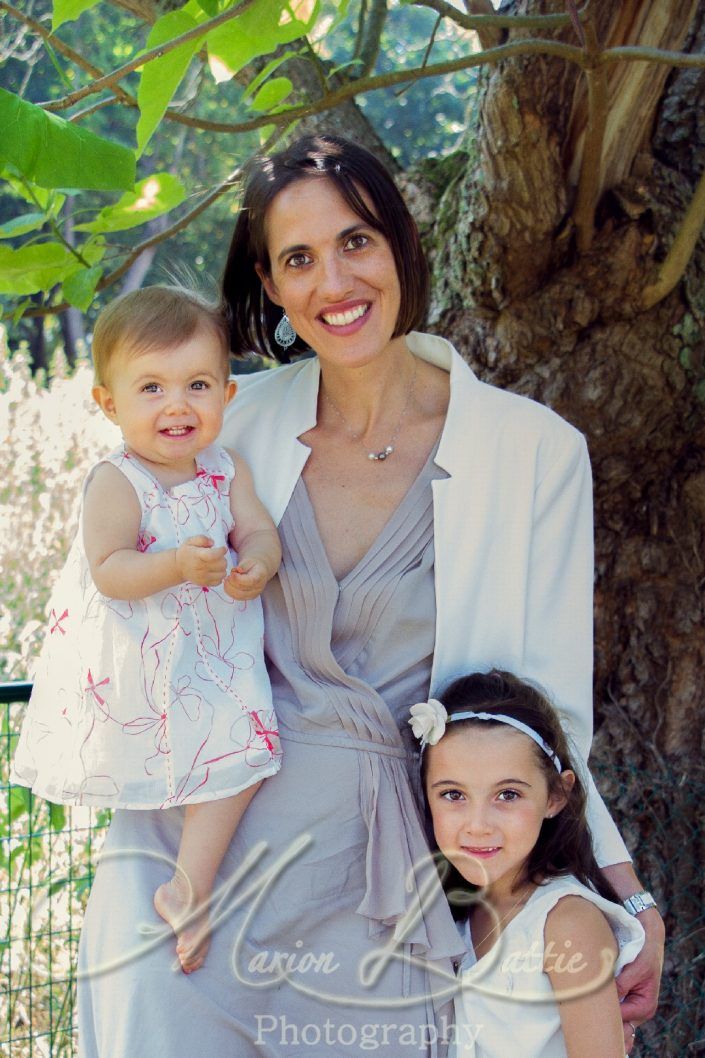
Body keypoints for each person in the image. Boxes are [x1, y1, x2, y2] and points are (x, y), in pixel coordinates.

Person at [75, 135, 663, 1057]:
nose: (333, 281)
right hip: (190, 848)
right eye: (298, 259)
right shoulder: (230, 423)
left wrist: (628, 894)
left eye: (356, 241)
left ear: (397, 244)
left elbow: (550, 712)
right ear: (268, 284)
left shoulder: (534, 452)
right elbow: (122, 571)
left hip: (384, 877)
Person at [12, 285, 282, 974]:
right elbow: (108, 569)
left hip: (216, 654)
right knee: (175, 766)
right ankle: (178, 888)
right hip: (149, 657)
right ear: (110, 405)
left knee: (243, 758)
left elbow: (255, 528)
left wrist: (256, 561)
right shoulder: (118, 480)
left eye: (197, 384)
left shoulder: (225, 469)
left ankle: (186, 887)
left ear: (226, 392)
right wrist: (170, 566)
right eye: (152, 387)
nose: (177, 405)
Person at [415, 670, 646, 1058]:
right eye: (453, 794)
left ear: (556, 795)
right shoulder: (453, 915)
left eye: (508, 794)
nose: (478, 825)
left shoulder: (565, 924)